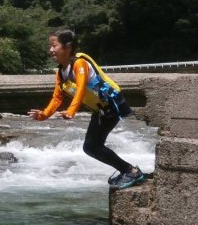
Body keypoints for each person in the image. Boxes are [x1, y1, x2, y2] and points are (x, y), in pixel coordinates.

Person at [27, 27, 146, 189]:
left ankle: (131, 171)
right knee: (91, 147)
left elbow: (81, 88)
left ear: (67, 47)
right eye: (50, 46)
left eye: (54, 46)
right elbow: (57, 98)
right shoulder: (61, 72)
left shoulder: (79, 63)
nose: (51, 50)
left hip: (112, 105)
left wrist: (71, 111)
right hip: (101, 110)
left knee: (92, 146)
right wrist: (43, 115)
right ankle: (128, 170)